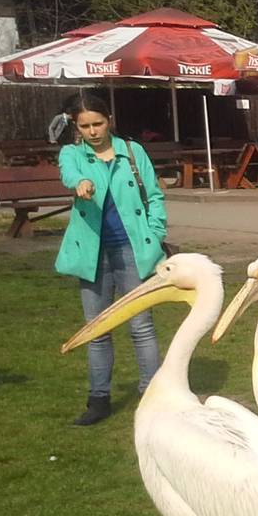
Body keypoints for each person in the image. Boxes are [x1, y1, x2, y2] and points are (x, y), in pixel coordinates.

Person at [55, 92, 168, 425]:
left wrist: (156, 232)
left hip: (133, 249)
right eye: (85, 125)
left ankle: (154, 394)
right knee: (97, 328)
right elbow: (69, 175)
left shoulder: (133, 152)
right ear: (76, 127)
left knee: (141, 326)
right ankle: (99, 399)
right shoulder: (72, 155)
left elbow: (156, 196)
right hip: (93, 253)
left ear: (110, 121)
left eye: (98, 123)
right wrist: (81, 182)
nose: (92, 132)